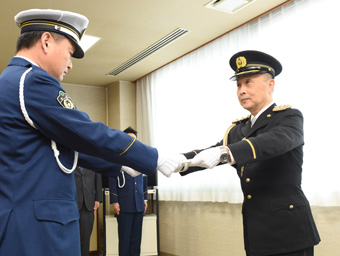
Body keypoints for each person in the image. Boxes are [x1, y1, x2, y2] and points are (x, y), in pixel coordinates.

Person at [0, 9, 182, 256]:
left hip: (25, 221)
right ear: (46, 41)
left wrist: (119, 167)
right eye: (69, 52)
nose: (70, 64)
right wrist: (153, 157)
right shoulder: (32, 81)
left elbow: (57, 148)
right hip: (35, 228)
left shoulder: (13, 79)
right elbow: (85, 131)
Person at [178, 50, 320, 256]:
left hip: (290, 232)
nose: (241, 90)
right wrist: (179, 161)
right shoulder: (238, 129)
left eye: (248, 82)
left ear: (270, 85)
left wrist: (225, 152)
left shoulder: (289, 117)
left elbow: (273, 142)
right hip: (257, 230)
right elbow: (209, 152)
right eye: (238, 85)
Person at [109, 127, 148, 256]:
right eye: (129, 138)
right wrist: (114, 200)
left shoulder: (141, 157)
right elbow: (112, 178)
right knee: (124, 240)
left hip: (138, 204)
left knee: (136, 240)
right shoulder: (117, 157)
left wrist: (145, 198)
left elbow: (145, 178)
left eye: (134, 139)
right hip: (124, 204)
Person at [75, 167, 102, 256]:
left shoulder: (92, 156)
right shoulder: (69, 155)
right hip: (72, 203)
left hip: (88, 203)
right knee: (72, 239)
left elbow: (98, 178)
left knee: (85, 239)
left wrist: (98, 199)